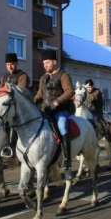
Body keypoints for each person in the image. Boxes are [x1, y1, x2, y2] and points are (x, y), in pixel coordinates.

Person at [34, 49, 75, 180]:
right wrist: (31, 102)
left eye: (47, 62)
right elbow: (40, 94)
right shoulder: (43, 78)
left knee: (62, 126)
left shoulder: (63, 75)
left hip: (61, 110)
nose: (44, 65)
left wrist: (57, 101)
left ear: (54, 62)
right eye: (43, 63)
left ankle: (67, 160)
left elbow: (69, 91)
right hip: (45, 110)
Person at [0, 53, 31, 157]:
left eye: (12, 64)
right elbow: (0, 91)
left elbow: (20, 92)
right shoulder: (4, 77)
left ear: (16, 64)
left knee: (12, 124)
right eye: (7, 64)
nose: (10, 66)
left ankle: (11, 147)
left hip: (21, 107)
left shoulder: (22, 76)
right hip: (8, 105)